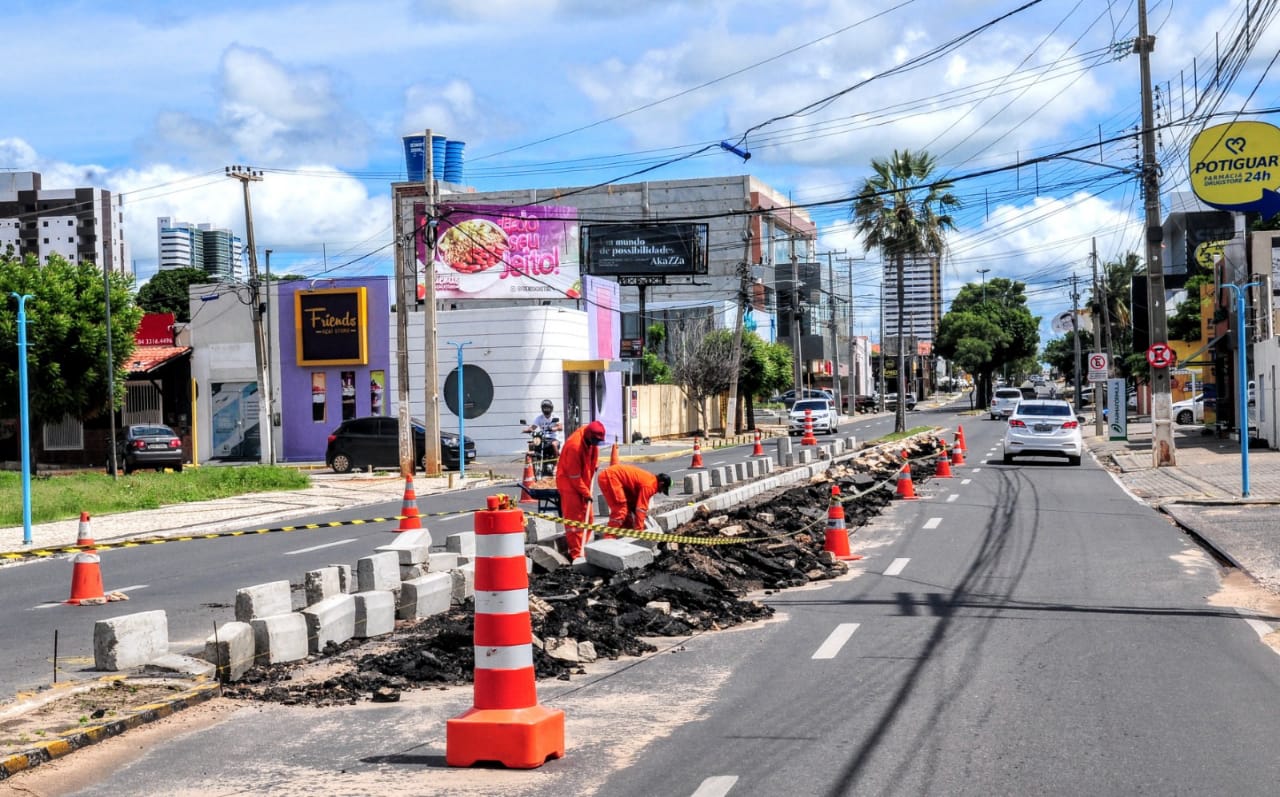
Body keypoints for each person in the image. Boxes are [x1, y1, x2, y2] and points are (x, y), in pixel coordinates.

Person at [556, 419, 606, 560]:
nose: (596, 444)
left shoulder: (590, 437)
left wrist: (595, 463)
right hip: (569, 485)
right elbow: (574, 477)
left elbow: (594, 451)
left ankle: (582, 548)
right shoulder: (574, 447)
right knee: (575, 523)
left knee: (588, 519)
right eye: (595, 441)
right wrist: (586, 493)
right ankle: (576, 555)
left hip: (582, 482)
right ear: (589, 437)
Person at [596, 465, 671, 535]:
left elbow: (635, 503)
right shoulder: (650, 486)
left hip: (612, 477)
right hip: (611, 477)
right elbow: (641, 509)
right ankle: (609, 538)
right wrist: (639, 532)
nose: (660, 492)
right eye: (662, 490)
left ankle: (625, 536)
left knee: (628, 513)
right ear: (661, 484)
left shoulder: (651, 480)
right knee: (620, 511)